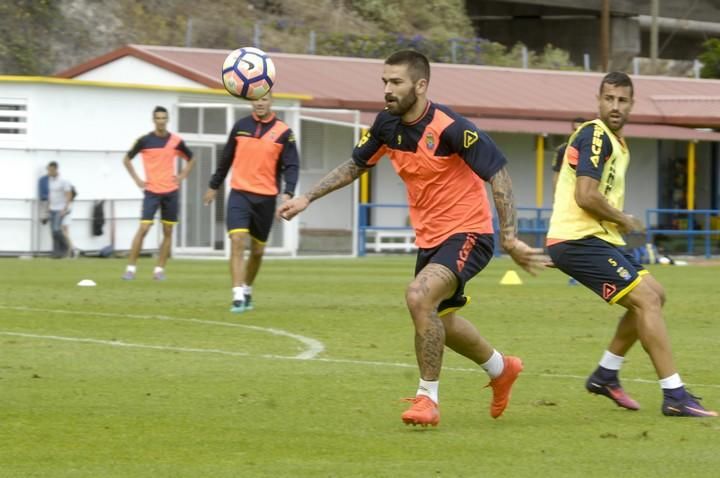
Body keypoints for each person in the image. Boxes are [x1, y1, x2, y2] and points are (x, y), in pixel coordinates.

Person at [278, 50, 544, 427]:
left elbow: (498, 172)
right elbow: (357, 164)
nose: (387, 89)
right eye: (384, 81)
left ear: (420, 85)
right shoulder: (386, 124)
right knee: (441, 321)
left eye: (396, 82)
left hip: (470, 232)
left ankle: (427, 399)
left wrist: (511, 236)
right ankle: (502, 369)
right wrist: (307, 196)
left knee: (419, 296)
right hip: (431, 239)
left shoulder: (451, 127)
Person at [546, 72, 717, 418]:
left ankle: (606, 374)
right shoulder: (596, 134)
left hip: (594, 238)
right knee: (647, 300)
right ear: (598, 100)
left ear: (632, 104)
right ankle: (675, 395)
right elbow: (585, 195)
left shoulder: (617, 143)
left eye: (622, 100)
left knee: (655, 293)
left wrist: (615, 222)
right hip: (580, 239)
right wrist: (622, 218)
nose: (614, 106)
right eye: (609, 98)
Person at [203, 92, 299, 312]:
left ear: (271, 101)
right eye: (256, 99)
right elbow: (225, 159)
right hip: (239, 194)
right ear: (251, 102)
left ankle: (246, 289)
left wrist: (288, 193)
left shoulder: (284, 132)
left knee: (257, 251)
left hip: (265, 199)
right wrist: (214, 185)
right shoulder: (240, 126)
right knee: (237, 240)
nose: (260, 103)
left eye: (264, 99)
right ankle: (237, 295)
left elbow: (292, 166)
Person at [122, 106, 195, 280]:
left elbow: (192, 158)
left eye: (164, 118)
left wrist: (182, 175)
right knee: (144, 228)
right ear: (153, 120)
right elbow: (126, 159)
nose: (161, 121)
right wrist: (138, 180)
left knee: (168, 231)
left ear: (167, 120)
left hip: (170, 191)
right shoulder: (144, 141)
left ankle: (159, 270)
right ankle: (130, 268)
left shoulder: (176, 141)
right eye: (158, 118)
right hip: (152, 192)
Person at [41, 161, 76, 258]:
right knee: (53, 232)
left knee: (57, 230)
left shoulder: (64, 180)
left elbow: (68, 195)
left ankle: (67, 247)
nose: (48, 172)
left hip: (60, 209)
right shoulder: (50, 180)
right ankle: (56, 253)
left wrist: (65, 209)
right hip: (52, 208)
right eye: (48, 170)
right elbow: (50, 195)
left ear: (55, 169)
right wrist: (47, 208)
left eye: (50, 170)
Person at [552, 117, 586, 193]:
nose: (576, 132)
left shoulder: (592, 151)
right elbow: (557, 175)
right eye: (574, 129)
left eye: (579, 130)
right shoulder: (562, 150)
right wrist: (556, 196)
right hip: (567, 193)